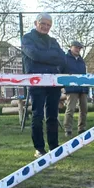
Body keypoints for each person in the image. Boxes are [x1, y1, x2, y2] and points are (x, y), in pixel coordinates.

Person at [21, 13, 66, 158]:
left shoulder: (53, 41)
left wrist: (45, 57)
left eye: (49, 25)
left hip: (53, 81)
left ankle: (54, 146)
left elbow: (62, 58)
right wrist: (51, 57)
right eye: (43, 24)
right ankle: (39, 148)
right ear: (36, 23)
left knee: (53, 115)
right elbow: (34, 55)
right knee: (37, 114)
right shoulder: (27, 38)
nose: (46, 27)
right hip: (36, 81)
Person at [62, 41, 88, 136]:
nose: (78, 49)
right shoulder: (65, 59)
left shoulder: (81, 60)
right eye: (76, 47)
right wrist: (64, 86)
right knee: (70, 109)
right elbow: (62, 73)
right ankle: (68, 129)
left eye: (79, 48)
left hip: (83, 87)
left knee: (84, 109)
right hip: (71, 87)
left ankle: (82, 128)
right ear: (71, 47)